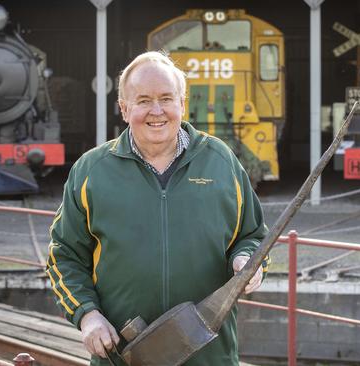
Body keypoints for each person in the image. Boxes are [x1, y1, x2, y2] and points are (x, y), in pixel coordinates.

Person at [46, 51, 269, 366]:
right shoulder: (91, 171)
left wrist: (249, 261)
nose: (157, 111)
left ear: (182, 103)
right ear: (124, 109)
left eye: (166, 98)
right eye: (143, 101)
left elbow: (253, 234)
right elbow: (63, 255)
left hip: (208, 355)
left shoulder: (220, 161)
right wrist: (87, 315)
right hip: (123, 357)